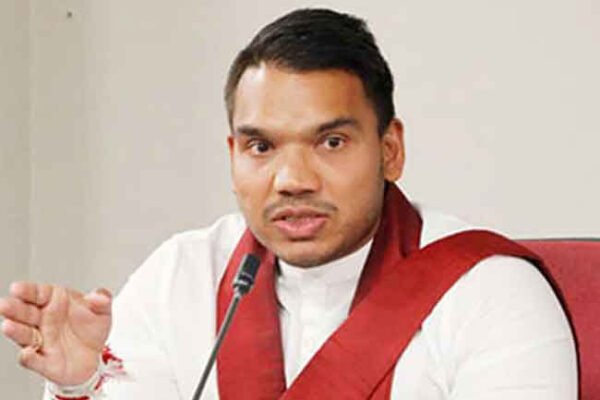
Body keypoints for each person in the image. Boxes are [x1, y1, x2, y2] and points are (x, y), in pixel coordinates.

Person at [0, 8, 577, 399]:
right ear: (233, 155)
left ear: (390, 150)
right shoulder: (183, 274)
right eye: (261, 147)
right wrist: (81, 384)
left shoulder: (489, 293)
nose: (292, 180)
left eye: (331, 142)